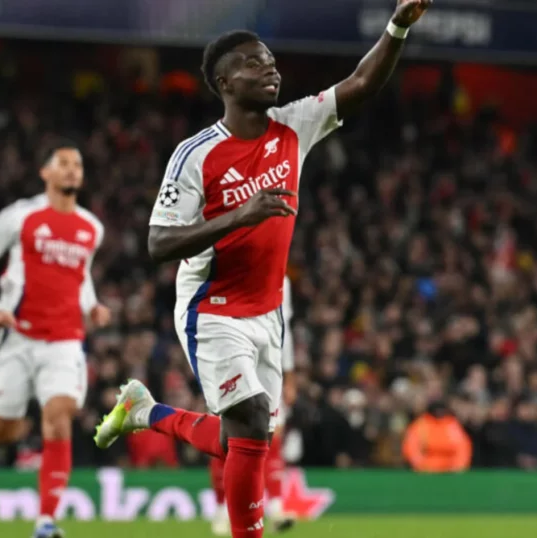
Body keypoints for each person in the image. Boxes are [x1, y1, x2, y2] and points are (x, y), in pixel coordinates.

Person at [93, 2, 432, 536]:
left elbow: (363, 82)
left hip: (268, 310)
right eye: (254, 63)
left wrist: (399, 25)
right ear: (226, 82)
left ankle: (146, 413)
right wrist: (239, 215)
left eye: (271, 59)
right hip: (213, 306)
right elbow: (158, 244)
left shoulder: (294, 124)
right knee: (249, 418)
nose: (270, 68)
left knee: (240, 442)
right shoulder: (195, 155)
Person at [0, 143, 111, 538]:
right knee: (3, 433)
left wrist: (93, 305)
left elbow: (80, 276)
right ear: (44, 173)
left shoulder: (91, 228)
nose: (71, 170)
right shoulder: (21, 216)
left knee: (59, 416)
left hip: (65, 340)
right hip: (18, 337)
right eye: (62, 164)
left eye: (77, 164)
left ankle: (46, 521)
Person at [210, 275, 297, 535]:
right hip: (230, 358)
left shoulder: (282, 279)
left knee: (272, 434)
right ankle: (221, 509)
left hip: (267, 362)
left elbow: (284, 329)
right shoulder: (228, 266)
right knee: (224, 435)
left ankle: (277, 508)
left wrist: (289, 375)